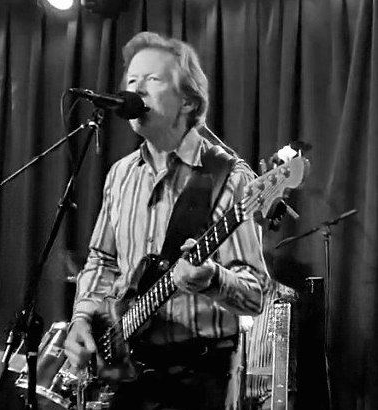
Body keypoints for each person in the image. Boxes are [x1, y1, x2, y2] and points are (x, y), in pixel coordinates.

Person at [64, 31, 270, 410]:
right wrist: (82, 318)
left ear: (189, 100)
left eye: (153, 80)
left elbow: (255, 293)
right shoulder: (120, 175)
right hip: (125, 372)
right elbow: (102, 261)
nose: (135, 89)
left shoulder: (228, 176)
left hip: (197, 377)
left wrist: (211, 280)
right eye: (130, 81)